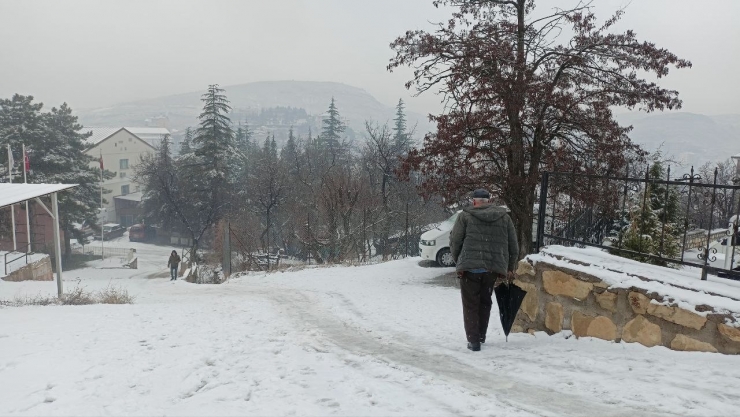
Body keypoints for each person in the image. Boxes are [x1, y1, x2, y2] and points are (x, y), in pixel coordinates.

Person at [449, 189, 519, 351]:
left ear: (474, 201)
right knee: (485, 302)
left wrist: (459, 260)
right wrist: (510, 267)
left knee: (470, 304)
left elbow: (455, 241)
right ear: (489, 200)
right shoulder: (504, 217)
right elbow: (513, 245)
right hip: (492, 269)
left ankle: (474, 341)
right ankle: (481, 335)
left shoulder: (465, 216)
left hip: (469, 269)